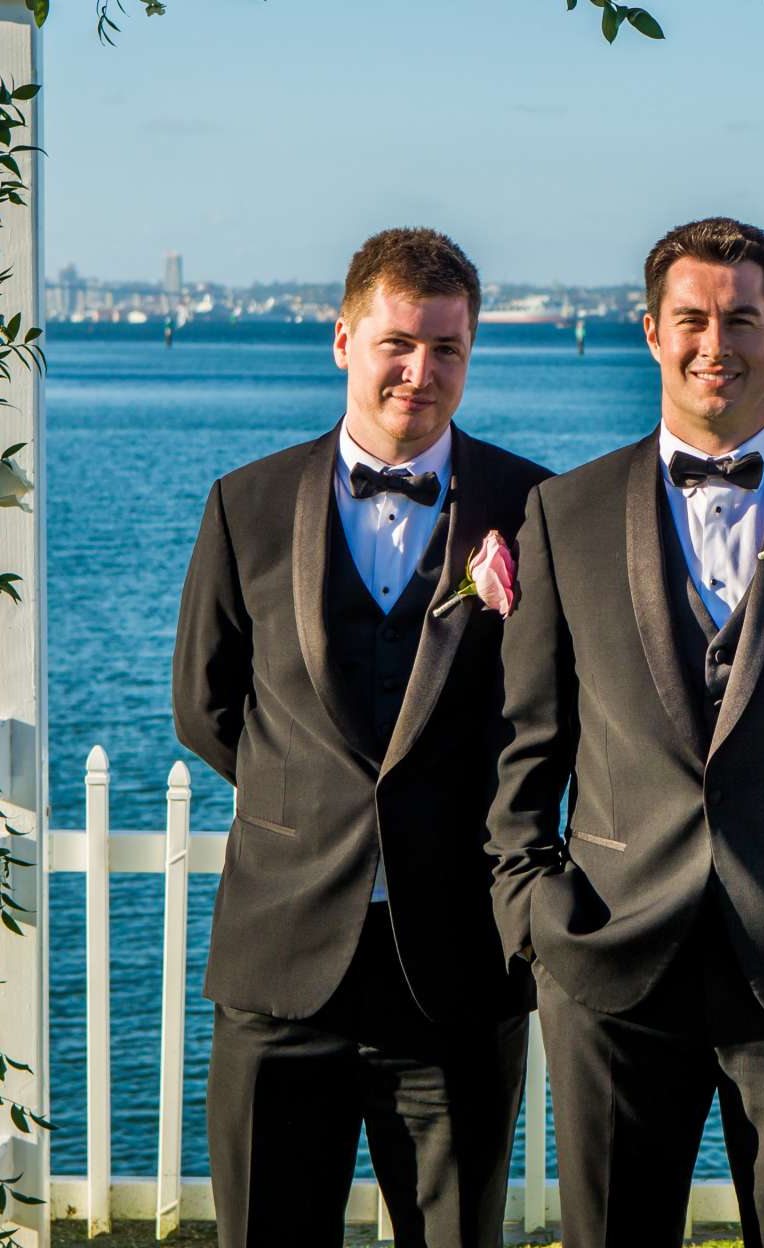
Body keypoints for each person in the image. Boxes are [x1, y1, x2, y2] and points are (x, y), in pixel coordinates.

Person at [487, 216, 764, 1247]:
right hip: (610, 963)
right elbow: (525, 754)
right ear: (650, 331)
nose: (715, 342)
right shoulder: (565, 514)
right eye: (691, 318)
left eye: (742, 318)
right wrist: (538, 917)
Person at [173, 226, 549, 1248]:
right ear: (344, 339)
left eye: (448, 348)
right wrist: (312, 805)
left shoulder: (534, 509)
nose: (420, 372)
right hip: (281, 962)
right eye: (397, 342)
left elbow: (550, 718)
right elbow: (204, 706)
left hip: (459, 965)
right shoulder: (244, 506)